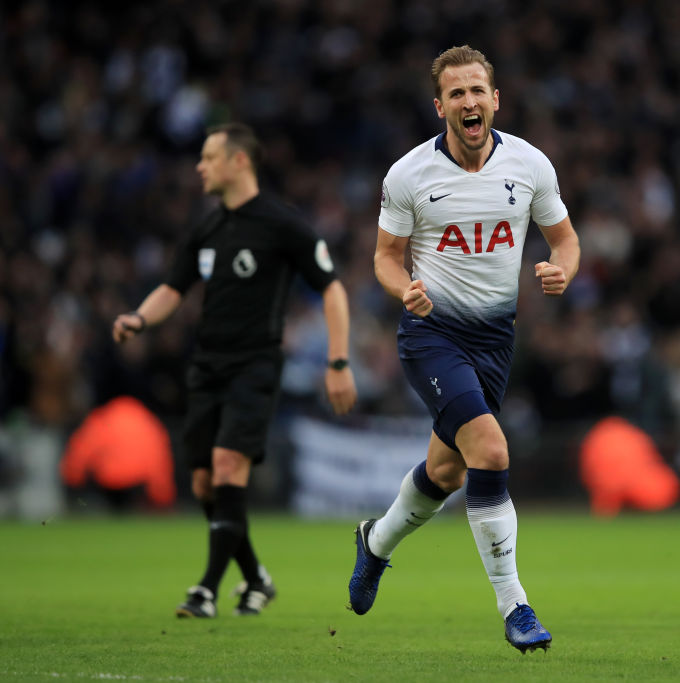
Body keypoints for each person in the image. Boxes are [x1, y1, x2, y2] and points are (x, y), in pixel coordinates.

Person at [348, 45, 580, 653]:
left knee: (448, 471)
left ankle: (374, 542)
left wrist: (563, 269)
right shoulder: (408, 175)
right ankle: (517, 607)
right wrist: (407, 290)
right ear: (440, 106)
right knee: (491, 450)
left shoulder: (530, 165)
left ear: (495, 99)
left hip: (495, 340)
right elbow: (384, 259)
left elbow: (566, 240)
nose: (469, 102)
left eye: (478, 90)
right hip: (432, 335)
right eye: (456, 93)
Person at [112, 122, 357, 618]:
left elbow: (331, 287)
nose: (200, 166)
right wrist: (139, 317)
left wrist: (338, 361)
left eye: (208, 157)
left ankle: (205, 589)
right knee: (205, 485)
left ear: (239, 161)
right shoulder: (207, 229)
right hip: (208, 366)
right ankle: (256, 578)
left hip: (256, 364)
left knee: (227, 468)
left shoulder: (281, 224)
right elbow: (173, 289)